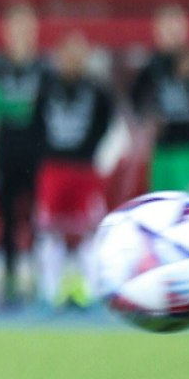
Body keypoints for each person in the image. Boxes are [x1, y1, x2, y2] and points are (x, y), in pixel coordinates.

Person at [33, 32, 115, 310]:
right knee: (49, 230)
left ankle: (89, 292)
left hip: (84, 169)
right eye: (67, 54)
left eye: (78, 55)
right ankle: (50, 291)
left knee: (88, 231)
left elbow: (106, 121)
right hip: (54, 169)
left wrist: (88, 150)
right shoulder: (45, 88)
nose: (72, 61)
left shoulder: (97, 90)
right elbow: (35, 123)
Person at [0, 1, 46, 308]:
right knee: (7, 219)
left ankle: (38, 278)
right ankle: (9, 281)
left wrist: (15, 109)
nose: (20, 33)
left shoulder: (44, 68)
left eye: (25, 27)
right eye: (14, 27)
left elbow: (45, 109)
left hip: (36, 152)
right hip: (7, 151)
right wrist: (20, 109)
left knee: (36, 218)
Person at [129, 3, 189, 194]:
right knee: (161, 203)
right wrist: (147, 121)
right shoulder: (152, 65)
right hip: (161, 150)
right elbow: (135, 99)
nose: (171, 33)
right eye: (166, 27)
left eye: (175, 27)